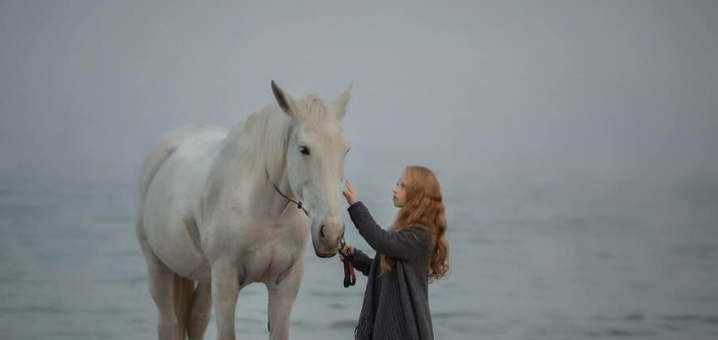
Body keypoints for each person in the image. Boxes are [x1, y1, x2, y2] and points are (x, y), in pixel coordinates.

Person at [340, 165, 450, 340]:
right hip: (390, 325)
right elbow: (386, 273)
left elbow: (381, 240)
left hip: (404, 328)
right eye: (398, 184)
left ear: (418, 194)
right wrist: (355, 258)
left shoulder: (421, 235)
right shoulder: (405, 231)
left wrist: (355, 206)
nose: (395, 189)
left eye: (403, 186)